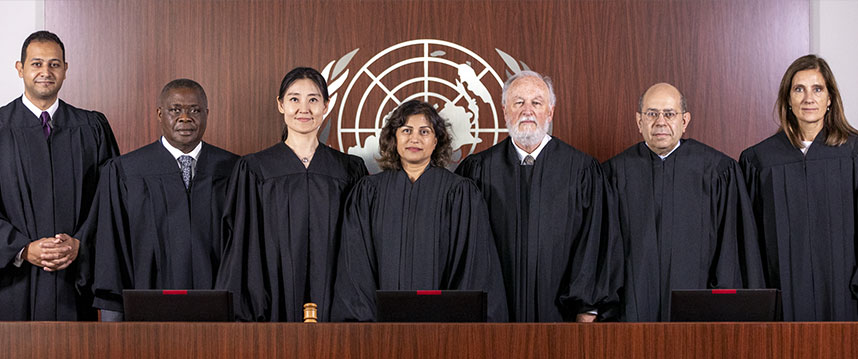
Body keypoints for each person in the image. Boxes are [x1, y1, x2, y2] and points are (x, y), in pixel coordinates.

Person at [455, 71, 618, 322]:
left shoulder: (581, 170)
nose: (527, 111)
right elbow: (466, 251)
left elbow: (595, 243)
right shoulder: (478, 170)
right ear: (505, 111)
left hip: (561, 318)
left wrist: (586, 309)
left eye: (537, 103)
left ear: (550, 112)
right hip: (494, 319)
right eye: (519, 102)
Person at [331, 100, 508, 322]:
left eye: (424, 131)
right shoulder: (368, 193)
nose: (414, 139)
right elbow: (355, 268)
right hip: (381, 333)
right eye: (406, 130)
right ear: (394, 138)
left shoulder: (460, 194)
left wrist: (454, 326)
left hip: (444, 333)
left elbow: (473, 267)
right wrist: (369, 330)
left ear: (436, 140)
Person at [215, 67, 368, 322]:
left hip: (335, 302)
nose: (303, 109)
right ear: (280, 105)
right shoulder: (255, 169)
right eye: (294, 99)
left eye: (313, 100)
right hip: (272, 301)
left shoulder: (349, 170)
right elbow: (244, 246)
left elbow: (358, 250)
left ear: (326, 105)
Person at [603, 83, 764, 322]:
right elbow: (604, 256)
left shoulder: (718, 171)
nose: (660, 122)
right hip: (631, 317)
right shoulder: (613, 174)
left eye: (669, 114)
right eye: (652, 113)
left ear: (685, 120)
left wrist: (722, 312)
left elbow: (730, 253)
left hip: (698, 318)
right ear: (639, 121)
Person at [91, 79, 239, 320]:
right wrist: (114, 321)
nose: (185, 118)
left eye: (195, 110)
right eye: (175, 110)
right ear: (160, 114)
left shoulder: (235, 170)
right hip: (146, 315)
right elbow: (112, 251)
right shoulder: (125, 171)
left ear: (207, 114)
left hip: (220, 315)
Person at [0, 30, 119, 320]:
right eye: (36, 63)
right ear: (20, 68)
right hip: (13, 284)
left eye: (54, 64)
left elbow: (110, 198)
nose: (46, 72)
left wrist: (80, 243)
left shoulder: (92, 128)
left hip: (73, 282)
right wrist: (21, 249)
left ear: (65, 69)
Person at [740, 55, 858, 321]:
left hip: (844, 293)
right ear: (788, 100)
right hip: (783, 293)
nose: (809, 98)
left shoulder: (853, 153)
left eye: (817, 89)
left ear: (830, 98)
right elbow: (750, 239)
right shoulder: (759, 160)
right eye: (799, 89)